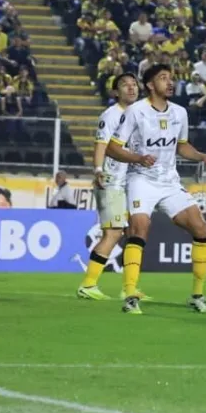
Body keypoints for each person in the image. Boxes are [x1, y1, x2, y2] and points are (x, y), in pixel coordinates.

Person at [106, 64, 206, 316]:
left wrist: (201, 156)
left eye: (171, 78)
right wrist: (137, 158)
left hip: (169, 181)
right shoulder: (136, 111)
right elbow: (113, 148)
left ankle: (198, 295)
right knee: (140, 227)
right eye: (163, 78)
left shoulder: (179, 113)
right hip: (140, 179)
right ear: (150, 85)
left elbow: (182, 146)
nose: (170, 83)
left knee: (202, 229)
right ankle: (130, 294)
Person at [77, 73, 148, 301]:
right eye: (125, 85)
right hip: (112, 181)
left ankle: (129, 288)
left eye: (134, 84)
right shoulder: (111, 115)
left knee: (132, 232)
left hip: (130, 183)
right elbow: (101, 145)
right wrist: (98, 171)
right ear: (115, 92)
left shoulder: (138, 115)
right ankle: (88, 284)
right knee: (113, 232)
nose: (131, 88)